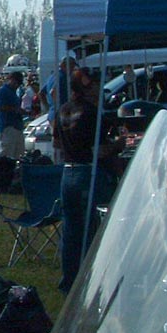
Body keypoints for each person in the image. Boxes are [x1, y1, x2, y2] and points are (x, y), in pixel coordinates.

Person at [54, 68, 125, 293]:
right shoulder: (92, 113)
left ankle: (69, 281)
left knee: (71, 231)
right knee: (93, 230)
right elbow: (99, 150)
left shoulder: (63, 110)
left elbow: (56, 143)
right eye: (95, 84)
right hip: (89, 173)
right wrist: (119, 145)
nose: (99, 88)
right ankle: (92, 279)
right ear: (87, 87)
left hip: (68, 173)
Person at [0, 71, 25, 157]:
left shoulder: (14, 92)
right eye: (16, 82)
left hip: (17, 125)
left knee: (19, 154)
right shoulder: (2, 91)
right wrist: (15, 109)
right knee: (7, 153)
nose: (17, 85)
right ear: (11, 79)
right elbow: (0, 107)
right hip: (8, 126)